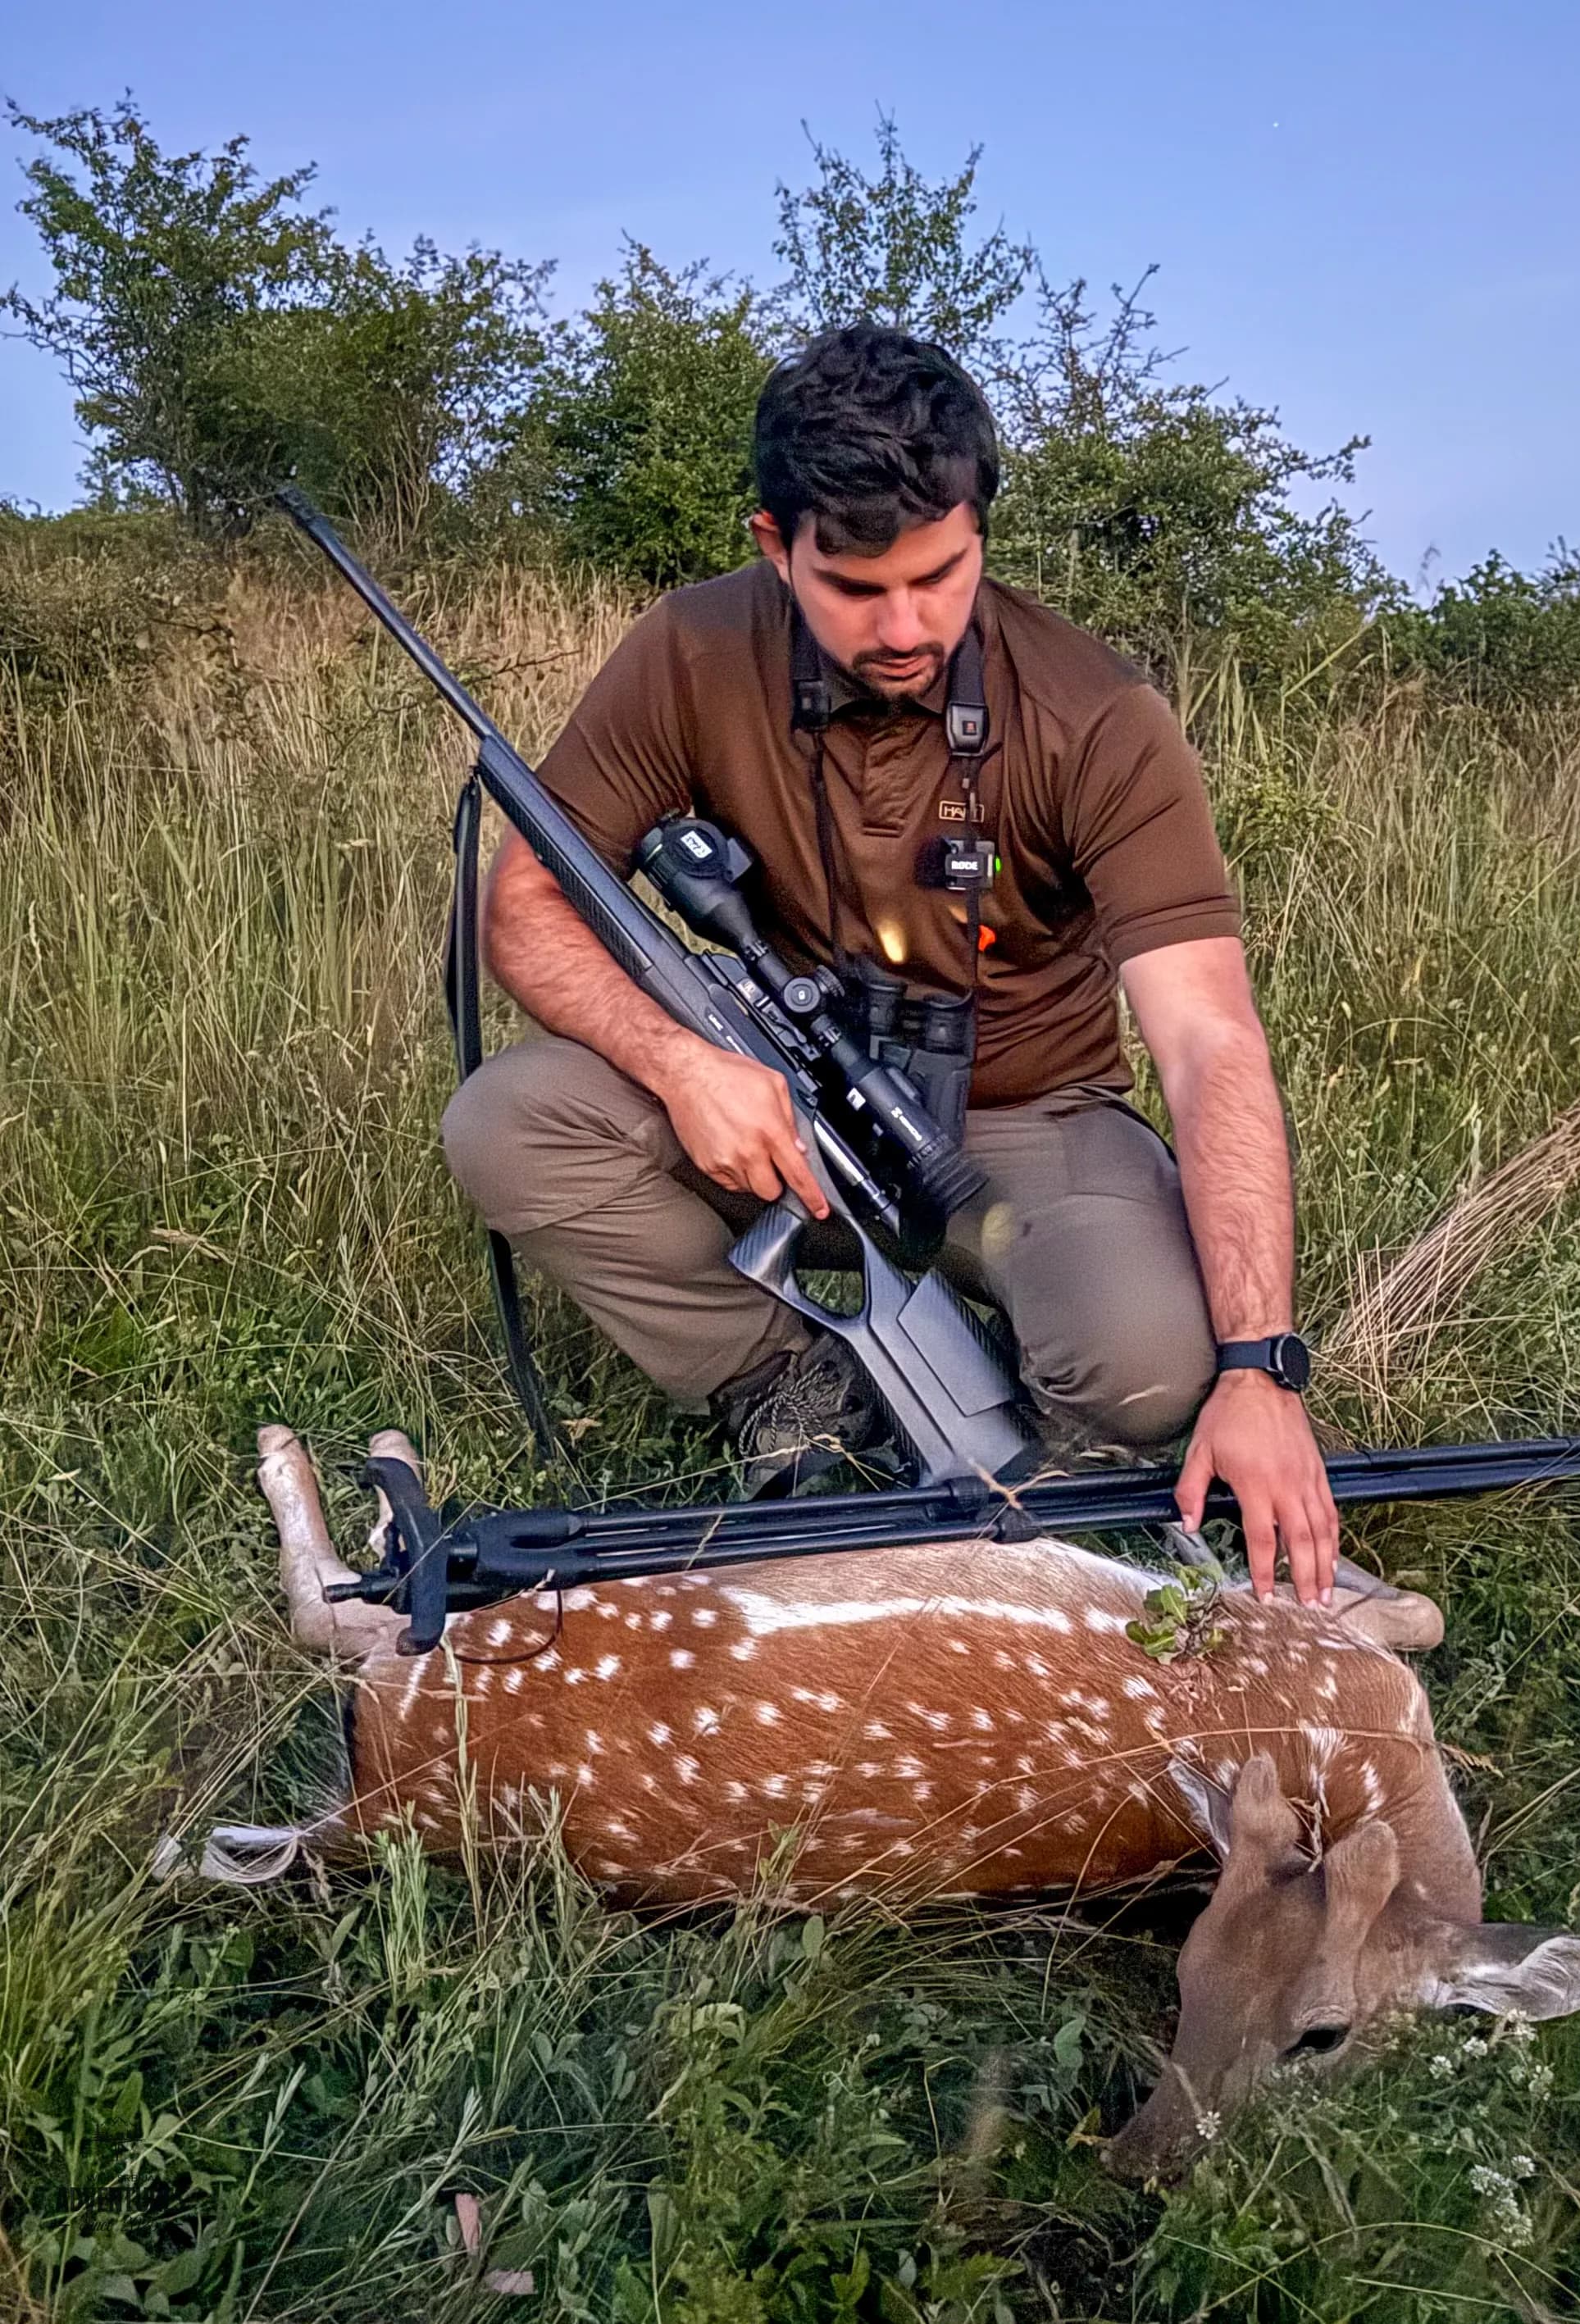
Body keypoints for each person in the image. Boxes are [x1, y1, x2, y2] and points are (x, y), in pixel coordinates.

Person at [443, 324, 1339, 1603]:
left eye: (941, 576)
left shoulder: (1099, 717)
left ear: (981, 531)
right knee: (507, 1124)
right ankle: (788, 1381)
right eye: (856, 589)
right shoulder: (692, 650)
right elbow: (525, 906)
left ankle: (1039, 1356)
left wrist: (1260, 1367)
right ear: (775, 544)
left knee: (1145, 1370)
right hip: (782, 1105)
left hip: (1024, 1128)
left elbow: (1209, 1042)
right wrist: (682, 1064)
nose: (906, 626)